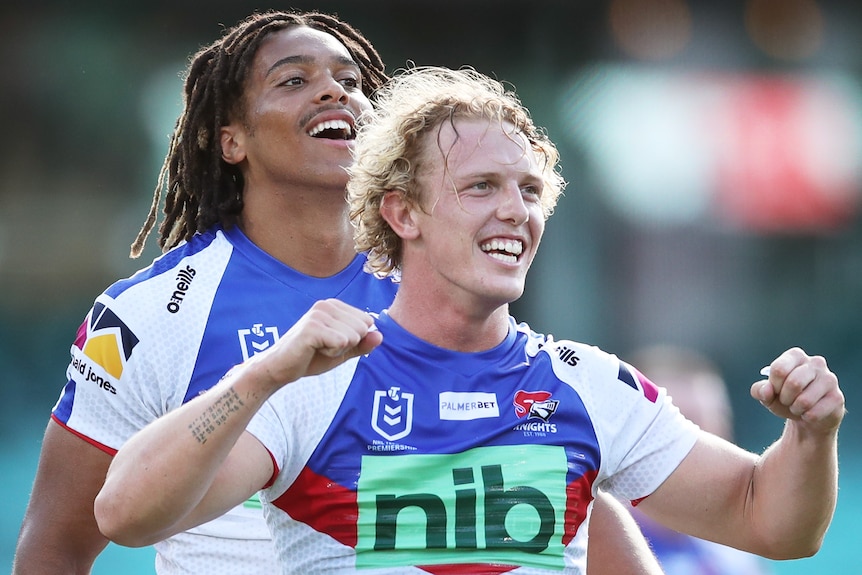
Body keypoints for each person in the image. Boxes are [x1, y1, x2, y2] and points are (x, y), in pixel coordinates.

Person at [93, 66, 844, 574]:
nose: (514, 209)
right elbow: (125, 513)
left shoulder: (585, 384)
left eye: (527, 189)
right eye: (482, 186)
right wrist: (262, 375)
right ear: (403, 212)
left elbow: (774, 522)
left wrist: (810, 434)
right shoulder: (313, 381)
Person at [12, 11, 662, 575]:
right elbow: (56, 546)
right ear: (230, 139)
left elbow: (558, 461)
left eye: (351, 82)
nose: (336, 93)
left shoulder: (447, 284)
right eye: (294, 80)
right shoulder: (148, 316)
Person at [624, 345, 774, 575]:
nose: (711, 444)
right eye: (685, 424)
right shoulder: (584, 550)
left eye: (715, 422)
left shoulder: (735, 554)